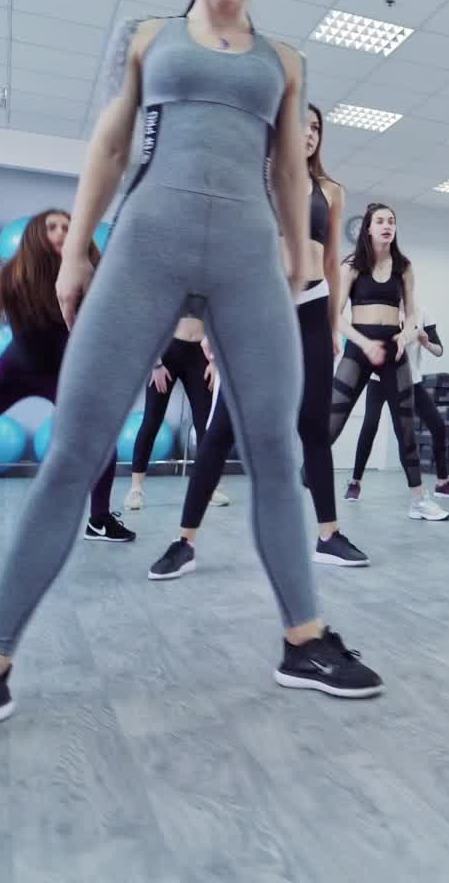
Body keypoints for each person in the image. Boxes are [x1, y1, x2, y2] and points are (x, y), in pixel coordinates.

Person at [0, 0, 384, 748]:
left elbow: (291, 171)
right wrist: (75, 255)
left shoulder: (284, 60)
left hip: (246, 264)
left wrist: (300, 256)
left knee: (275, 449)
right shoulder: (150, 37)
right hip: (146, 248)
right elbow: (112, 142)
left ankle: (305, 641)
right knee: (76, 448)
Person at [150, 101, 370, 577]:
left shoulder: (330, 190)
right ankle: (184, 541)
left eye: (316, 128)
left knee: (314, 425)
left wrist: (333, 323)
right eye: (300, 127)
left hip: (312, 309)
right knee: (223, 428)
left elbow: (332, 262)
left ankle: (328, 536)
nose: (309, 134)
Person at [0, 211, 129, 540]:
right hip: (11, 374)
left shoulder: (92, 282)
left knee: (103, 443)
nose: (61, 232)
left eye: (68, 227)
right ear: (34, 236)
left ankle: (99, 520)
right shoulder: (9, 280)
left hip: (65, 377)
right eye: (52, 227)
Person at [333, 203, 448, 521]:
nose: (387, 225)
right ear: (368, 228)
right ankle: (303, 476)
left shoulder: (404, 267)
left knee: (406, 428)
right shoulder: (352, 266)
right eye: (380, 221)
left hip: (393, 352)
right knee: (333, 419)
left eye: (391, 221)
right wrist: (363, 343)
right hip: (359, 348)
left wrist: (405, 337)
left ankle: (418, 500)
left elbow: (412, 314)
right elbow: (335, 315)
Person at [125, 316, 218, 511]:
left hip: (200, 353)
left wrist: (213, 360)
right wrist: (156, 364)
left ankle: (206, 489)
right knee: (152, 421)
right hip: (167, 352)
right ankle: (136, 489)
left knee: (206, 425)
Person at [405, 311, 449, 499]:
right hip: (382, 381)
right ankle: (355, 482)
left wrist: (425, 342)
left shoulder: (422, 314)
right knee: (370, 425)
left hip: (412, 382)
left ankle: (442, 482)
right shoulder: (387, 311)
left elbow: (439, 350)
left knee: (438, 426)